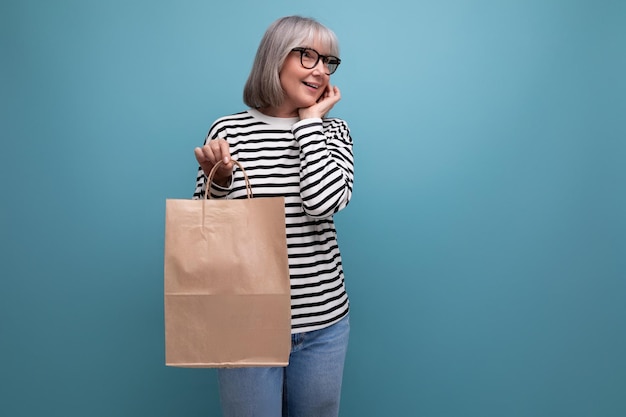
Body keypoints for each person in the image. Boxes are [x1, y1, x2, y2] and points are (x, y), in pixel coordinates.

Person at [192, 15, 354, 417]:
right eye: (308, 55)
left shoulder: (334, 132)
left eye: (328, 61)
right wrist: (223, 180)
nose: (320, 69)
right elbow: (205, 227)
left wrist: (310, 124)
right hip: (244, 321)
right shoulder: (227, 129)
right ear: (275, 58)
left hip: (322, 325)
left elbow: (323, 202)